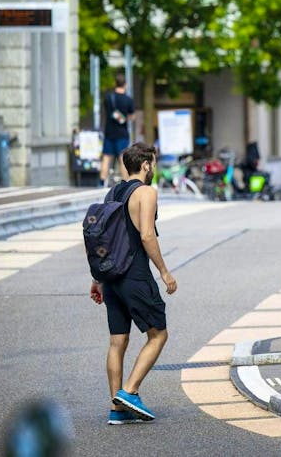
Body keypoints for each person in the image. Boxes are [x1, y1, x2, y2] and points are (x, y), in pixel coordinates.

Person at [89, 142, 177, 424]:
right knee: (158, 334)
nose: (155, 168)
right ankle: (130, 391)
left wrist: (97, 279)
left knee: (118, 341)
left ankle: (117, 408)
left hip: (111, 278)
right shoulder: (146, 192)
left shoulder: (111, 193)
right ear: (146, 165)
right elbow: (147, 236)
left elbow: (104, 238)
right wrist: (164, 272)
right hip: (134, 275)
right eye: (154, 162)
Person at [100, 73, 135, 187]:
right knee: (122, 158)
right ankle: (125, 183)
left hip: (109, 132)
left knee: (106, 157)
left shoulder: (108, 98)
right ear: (125, 85)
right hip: (122, 133)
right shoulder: (128, 100)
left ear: (115, 84)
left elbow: (107, 112)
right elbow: (131, 117)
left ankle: (101, 182)